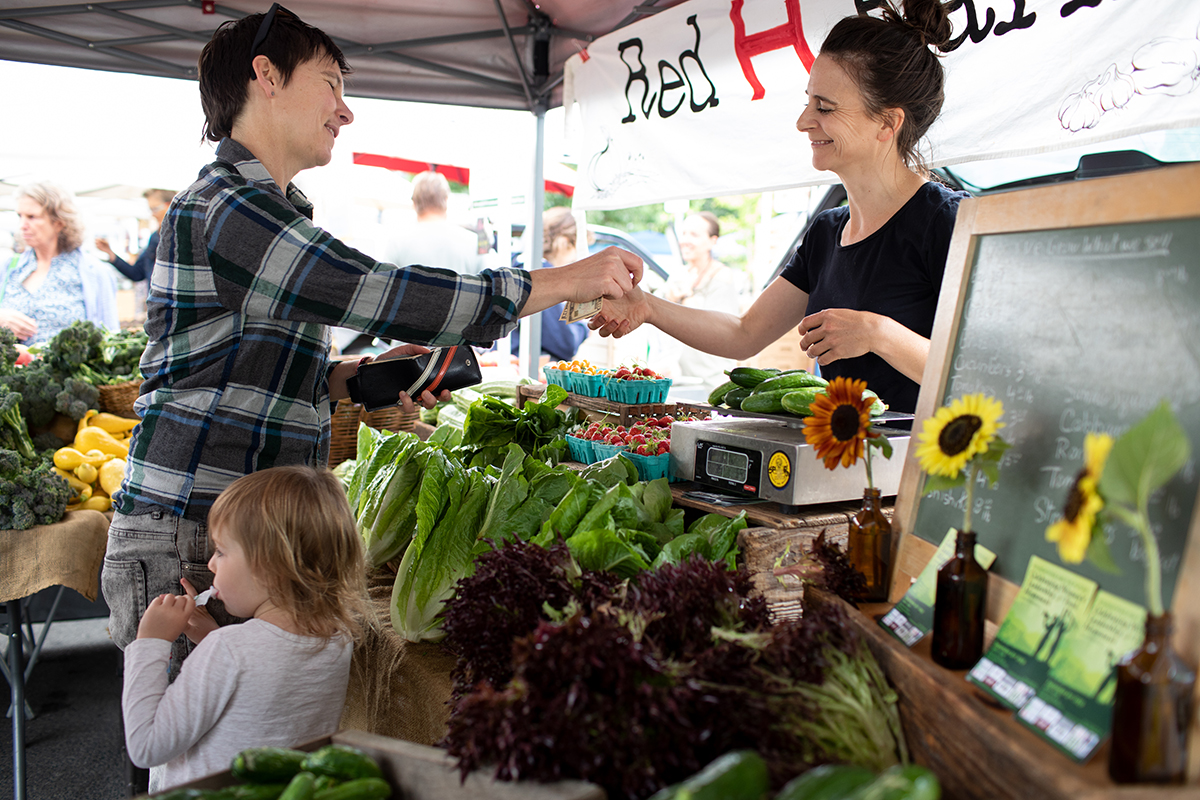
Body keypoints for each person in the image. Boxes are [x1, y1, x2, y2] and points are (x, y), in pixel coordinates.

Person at [102, 2, 641, 678]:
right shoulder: (228, 207)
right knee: (189, 765)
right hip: (193, 534)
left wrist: (353, 376)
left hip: (241, 534)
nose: (345, 109)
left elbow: (244, 372)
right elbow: (372, 289)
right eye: (331, 83)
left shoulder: (263, 210)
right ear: (265, 75)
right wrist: (561, 281)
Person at [591, 0, 966, 415]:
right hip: (849, 465)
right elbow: (743, 333)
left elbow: (991, 373)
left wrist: (878, 332)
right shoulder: (826, 233)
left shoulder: (947, 221)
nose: (804, 121)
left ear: (887, 123)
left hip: (930, 468)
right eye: (808, 102)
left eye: (824, 107)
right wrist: (647, 307)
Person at [122, 466, 369, 794]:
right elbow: (263, 682)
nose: (210, 564)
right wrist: (213, 637)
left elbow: (146, 746)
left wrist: (150, 641)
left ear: (271, 567)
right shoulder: (338, 637)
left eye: (221, 552)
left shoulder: (227, 650)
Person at [3, 182, 119, 344]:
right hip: (14, 368)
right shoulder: (9, 267)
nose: (22, 226)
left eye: (32, 217)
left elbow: (110, 339)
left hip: (67, 369)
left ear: (59, 222)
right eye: (19, 216)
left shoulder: (94, 272)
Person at [659, 211, 743, 393]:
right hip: (680, 378)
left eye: (694, 235)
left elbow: (721, 327)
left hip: (711, 381)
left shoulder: (722, 277)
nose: (685, 240)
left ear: (713, 241)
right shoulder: (679, 275)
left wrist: (686, 299)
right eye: (684, 233)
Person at [507, 206, 590, 364]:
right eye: (576, 249)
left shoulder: (519, 264)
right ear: (565, 243)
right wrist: (584, 326)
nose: (575, 259)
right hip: (524, 368)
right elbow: (566, 343)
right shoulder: (546, 276)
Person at [382, 170, 484, 275]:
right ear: (446, 199)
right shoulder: (475, 242)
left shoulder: (397, 242)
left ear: (414, 202)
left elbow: (384, 283)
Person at [95, 188, 177, 282]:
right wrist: (110, 253)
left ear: (170, 205)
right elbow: (137, 273)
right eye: (151, 210)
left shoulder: (186, 237)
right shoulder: (155, 237)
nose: (153, 215)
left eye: (155, 209)